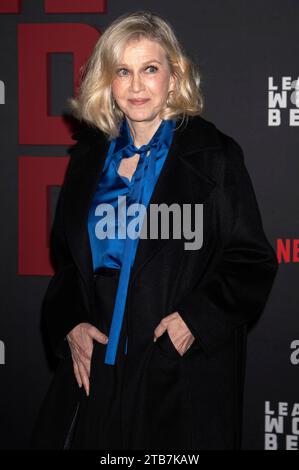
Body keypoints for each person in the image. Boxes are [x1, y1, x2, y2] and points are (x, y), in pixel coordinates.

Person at [31, 10, 278, 450]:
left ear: (174, 75)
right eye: (122, 71)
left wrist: (196, 321)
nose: (136, 86)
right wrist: (70, 323)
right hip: (99, 369)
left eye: (149, 69)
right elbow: (67, 261)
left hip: (177, 367)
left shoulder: (214, 155)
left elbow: (251, 259)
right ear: (108, 81)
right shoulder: (89, 161)